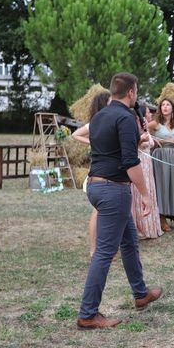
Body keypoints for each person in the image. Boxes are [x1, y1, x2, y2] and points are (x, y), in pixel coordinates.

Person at [77, 72, 162, 330]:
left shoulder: (100, 115)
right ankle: (88, 313)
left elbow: (110, 148)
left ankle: (140, 293)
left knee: (129, 242)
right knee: (104, 253)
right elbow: (130, 161)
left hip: (97, 184)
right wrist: (146, 194)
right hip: (114, 189)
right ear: (132, 92)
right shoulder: (125, 117)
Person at [71, 91, 111, 257]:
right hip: (100, 174)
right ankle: (94, 248)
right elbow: (75, 134)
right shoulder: (96, 123)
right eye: (110, 102)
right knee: (97, 212)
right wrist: (92, 142)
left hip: (109, 173)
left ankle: (104, 247)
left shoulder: (111, 122)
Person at [147, 98, 174, 232]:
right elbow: (142, 132)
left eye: (168, 105)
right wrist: (154, 139)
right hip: (160, 156)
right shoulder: (155, 124)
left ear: (172, 108)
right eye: (163, 105)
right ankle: (162, 218)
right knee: (163, 185)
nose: (165, 107)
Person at [131, 104, 163, 239]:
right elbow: (133, 143)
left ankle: (151, 227)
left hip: (148, 166)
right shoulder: (135, 126)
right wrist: (141, 140)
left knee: (148, 191)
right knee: (139, 194)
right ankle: (140, 227)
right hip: (140, 164)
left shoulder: (145, 126)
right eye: (149, 112)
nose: (150, 115)